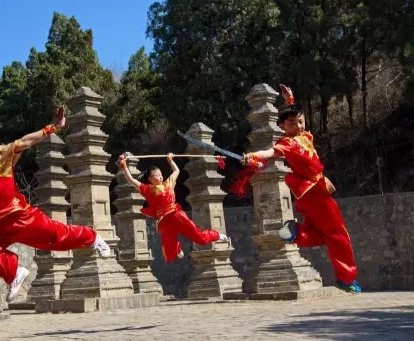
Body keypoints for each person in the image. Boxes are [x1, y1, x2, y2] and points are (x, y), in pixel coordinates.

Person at [0, 106, 112, 302]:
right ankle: (15, 271)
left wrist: (53, 127)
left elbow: (24, 142)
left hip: (19, 217)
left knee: (57, 236)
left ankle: (92, 237)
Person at [241, 84, 361, 293]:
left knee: (323, 234)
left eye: (300, 121)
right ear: (282, 126)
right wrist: (253, 156)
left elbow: (295, 116)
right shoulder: (287, 144)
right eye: (292, 123)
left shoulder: (304, 137)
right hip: (314, 194)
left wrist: (290, 100)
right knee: (338, 235)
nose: (298, 125)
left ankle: (297, 232)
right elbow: (269, 153)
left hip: (310, 194)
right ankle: (347, 279)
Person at [117, 152, 228, 261]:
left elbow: (176, 171)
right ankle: (177, 247)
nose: (160, 177)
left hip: (176, 214)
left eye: (160, 175)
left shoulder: (168, 183)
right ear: (150, 178)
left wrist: (170, 160)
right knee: (169, 254)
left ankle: (216, 235)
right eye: (156, 175)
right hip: (164, 221)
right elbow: (131, 180)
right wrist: (124, 166)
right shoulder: (147, 189)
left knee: (200, 239)